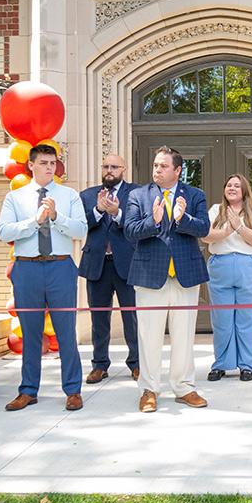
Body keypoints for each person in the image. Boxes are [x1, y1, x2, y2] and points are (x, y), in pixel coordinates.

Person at [0, 144, 88, 412]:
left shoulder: (69, 195)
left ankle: (72, 390)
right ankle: (28, 390)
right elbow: (4, 232)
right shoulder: (15, 198)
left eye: (53, 163)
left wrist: (56, 216)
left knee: (66, 331)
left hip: (60, 266)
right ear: (31, 165)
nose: (50, 167)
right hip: (27, 268)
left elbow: (81, 229)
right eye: (45, 163)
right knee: (31, 332)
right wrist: (35, 222)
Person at [123, 146, 211, 413]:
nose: (157, 170)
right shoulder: (139, 195)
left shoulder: (194, 195)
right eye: (155, 165)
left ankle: (184, 387)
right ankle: (149, 390)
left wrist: (183, 218)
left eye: (163, 166)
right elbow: (129, 231)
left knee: (184, 336)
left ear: (177, 170)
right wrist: (154, 220)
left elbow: (204, 228)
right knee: (149, 336)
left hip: (185, 276)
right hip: (150, 276)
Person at [202, 174, 252, 382]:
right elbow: (206, 236)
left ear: (244, 191)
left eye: (237, 185)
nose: (232, 188)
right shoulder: (216, 210)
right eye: (229, 184)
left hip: (249, 269)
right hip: (220, 267)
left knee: (248, 319)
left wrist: (239, 227)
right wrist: (226, 230)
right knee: (222, 319)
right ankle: (221, 364)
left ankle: (247, 365)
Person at [78, 153, 140, 384]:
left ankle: (136, 363)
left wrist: (117, 213)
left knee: (131, 316)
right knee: (99, 318)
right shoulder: (87, 195)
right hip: (97, 264)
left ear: (123, 169)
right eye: (105, 166)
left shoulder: (136, 193)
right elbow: (81, 224)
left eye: (114, 166)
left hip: (127, 264)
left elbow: (137, 225)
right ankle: (99, 365)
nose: (109, 170)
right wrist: (98, 210)